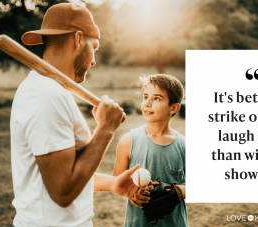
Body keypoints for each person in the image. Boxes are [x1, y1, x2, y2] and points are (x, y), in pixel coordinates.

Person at [10, 3, 149, 227]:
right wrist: (105, 129)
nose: (93, 60)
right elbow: (63, 191)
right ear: (77, 39)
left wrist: (113, 184)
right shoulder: (46, 94)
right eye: (94, 46)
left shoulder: (48, 90)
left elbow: (66, 171)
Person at [113, 74, 188, 226]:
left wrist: (179, 192)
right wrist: (132, 192)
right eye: (145, 96)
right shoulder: (128, 141)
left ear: (173, 108)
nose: (147, 103)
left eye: (157, 98)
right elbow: (116, 184)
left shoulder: (184, 145)